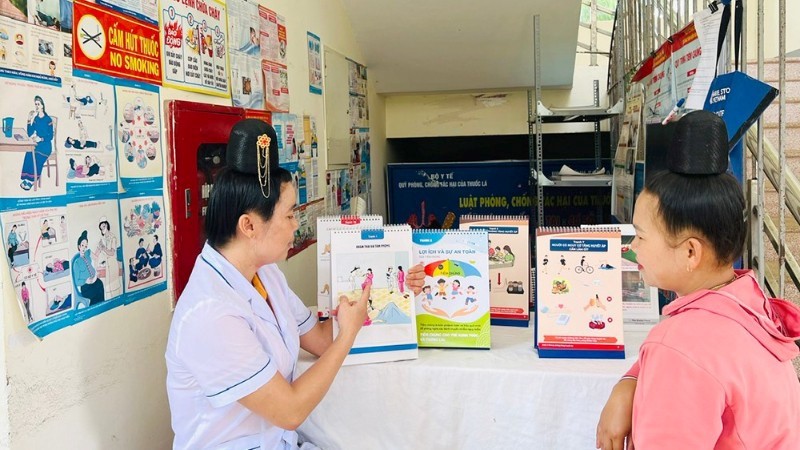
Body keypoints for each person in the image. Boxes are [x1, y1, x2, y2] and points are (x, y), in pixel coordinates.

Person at [166, 119, 423, 449]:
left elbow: (320, 339)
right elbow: (289, 411)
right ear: (249, 226)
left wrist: (396, 291)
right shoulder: (210, 313)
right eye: (289, 215)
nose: (296, 226)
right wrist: (347, 335)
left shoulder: (265, 274)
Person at [596, 111, 800, 450]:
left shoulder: (681, 344)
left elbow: (684, 358)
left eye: (641, 236)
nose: (632, 247)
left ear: (691, 252)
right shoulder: (749, 306)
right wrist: (629, 383)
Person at [20, 95, 54, 191]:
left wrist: (41, 139)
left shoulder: (48, 120)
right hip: (37, 144)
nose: (37, 106)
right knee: (29, 153)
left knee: (37, 157)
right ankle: (26, 178)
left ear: (42, 105)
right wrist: (29, 120)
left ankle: (31, 181)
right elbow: (30, 133)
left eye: (38, 104)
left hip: (46, 146)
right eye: (35, 104)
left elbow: (50, 136)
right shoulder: (36, 119)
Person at [72, 230, 105, 305]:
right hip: (86, 287)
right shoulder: (77, 262)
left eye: (86, 246)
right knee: (95, 291)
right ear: (79, 246)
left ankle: (101, 307)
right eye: (82, 245)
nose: (84, 248)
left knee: (99, 284)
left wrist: (99, 248)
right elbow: (76, 281)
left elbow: (95, 257)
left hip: (94, 281)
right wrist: (85, 281)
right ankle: (94, 308)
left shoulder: (87, 253)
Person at [95, 218, 121, 297]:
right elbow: (97, 252)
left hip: (113, 263)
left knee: (115, 287)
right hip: (107, 264)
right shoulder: (102, 239)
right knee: (108, 289)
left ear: (106, 225)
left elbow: (112, 253)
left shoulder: (113, 238)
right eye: (101, 228)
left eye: (103, 227)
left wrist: (103, 248)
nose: (102, 229)